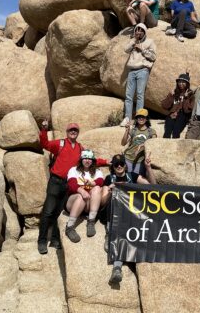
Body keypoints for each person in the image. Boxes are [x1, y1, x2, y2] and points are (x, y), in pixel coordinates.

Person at [100, 153, 151, 285]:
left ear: (125, 165)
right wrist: (110, 191)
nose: (119, 166)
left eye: (121, 163)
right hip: (114, 214)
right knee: (113, 203)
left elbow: (152, 186)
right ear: (113, 166)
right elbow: (103, 201)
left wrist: (148, 168)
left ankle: (117, 268)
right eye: (116, 164)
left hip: (130, 215)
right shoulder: (109, 178)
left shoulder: (132, 177)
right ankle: (109, 234)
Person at [37, 119, 84, 254]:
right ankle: (42, 241)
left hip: (68, 184)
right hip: (55, 182)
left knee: (59, 213)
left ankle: (55, 240)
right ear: (67, 132)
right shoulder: (61, 143)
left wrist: (107, 161)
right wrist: (44, 130)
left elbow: (90, 160)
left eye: (75, 130)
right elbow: (44, 144)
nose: (73, 132)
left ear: (78, 133)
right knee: (48, 211)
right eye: (71, 130)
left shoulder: (80, 148)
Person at [64, 149, 107, 243]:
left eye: (89, 159)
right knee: (80, 196)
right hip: (74, 202)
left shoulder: (97, 171)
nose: (87, 161)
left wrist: (92, 183)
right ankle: (69, 227)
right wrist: (82, 191)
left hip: (88, 205)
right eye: (85, 158)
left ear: (93, 160)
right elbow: (71, 185)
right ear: (81, 160)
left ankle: (91, 221)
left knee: (97, 189)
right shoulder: (73, 170)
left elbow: (100, 181)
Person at [120, 23, 157, 127]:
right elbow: (125, 50)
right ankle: (127, 118)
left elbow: (153, 56)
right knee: (128, 96)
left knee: (140, 95)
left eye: (141, 30)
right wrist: (133, 41)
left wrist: (143, 50)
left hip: (142, 70)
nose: (138, 32)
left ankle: (138, 118)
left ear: (144, 32)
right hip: (131, 70)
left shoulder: (150, 42)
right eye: (137, 30)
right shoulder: (133, 42)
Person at [121, 108, 157, 184]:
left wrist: (142, 145)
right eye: (138, 117)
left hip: (140, 160)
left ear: (147, 119)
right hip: (128, 158)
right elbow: (123, 143)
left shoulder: (151, 132)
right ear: (136, 119)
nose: (141, 118)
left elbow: (154, 143)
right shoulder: (133, 130)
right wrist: (127, 130)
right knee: (129, 179)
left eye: (143, 117)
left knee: (137, 179)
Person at [161, 72, 193, 139]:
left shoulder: (190, 93)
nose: (181, 84)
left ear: (187, 84)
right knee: (167, 133)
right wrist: (170, 96)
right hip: (172, 114)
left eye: (183, 82)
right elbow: (165, 106)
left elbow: (187, 110)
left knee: (176, 132)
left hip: (183, 115)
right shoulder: (174, 92)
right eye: (179, 82)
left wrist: (186, 98)